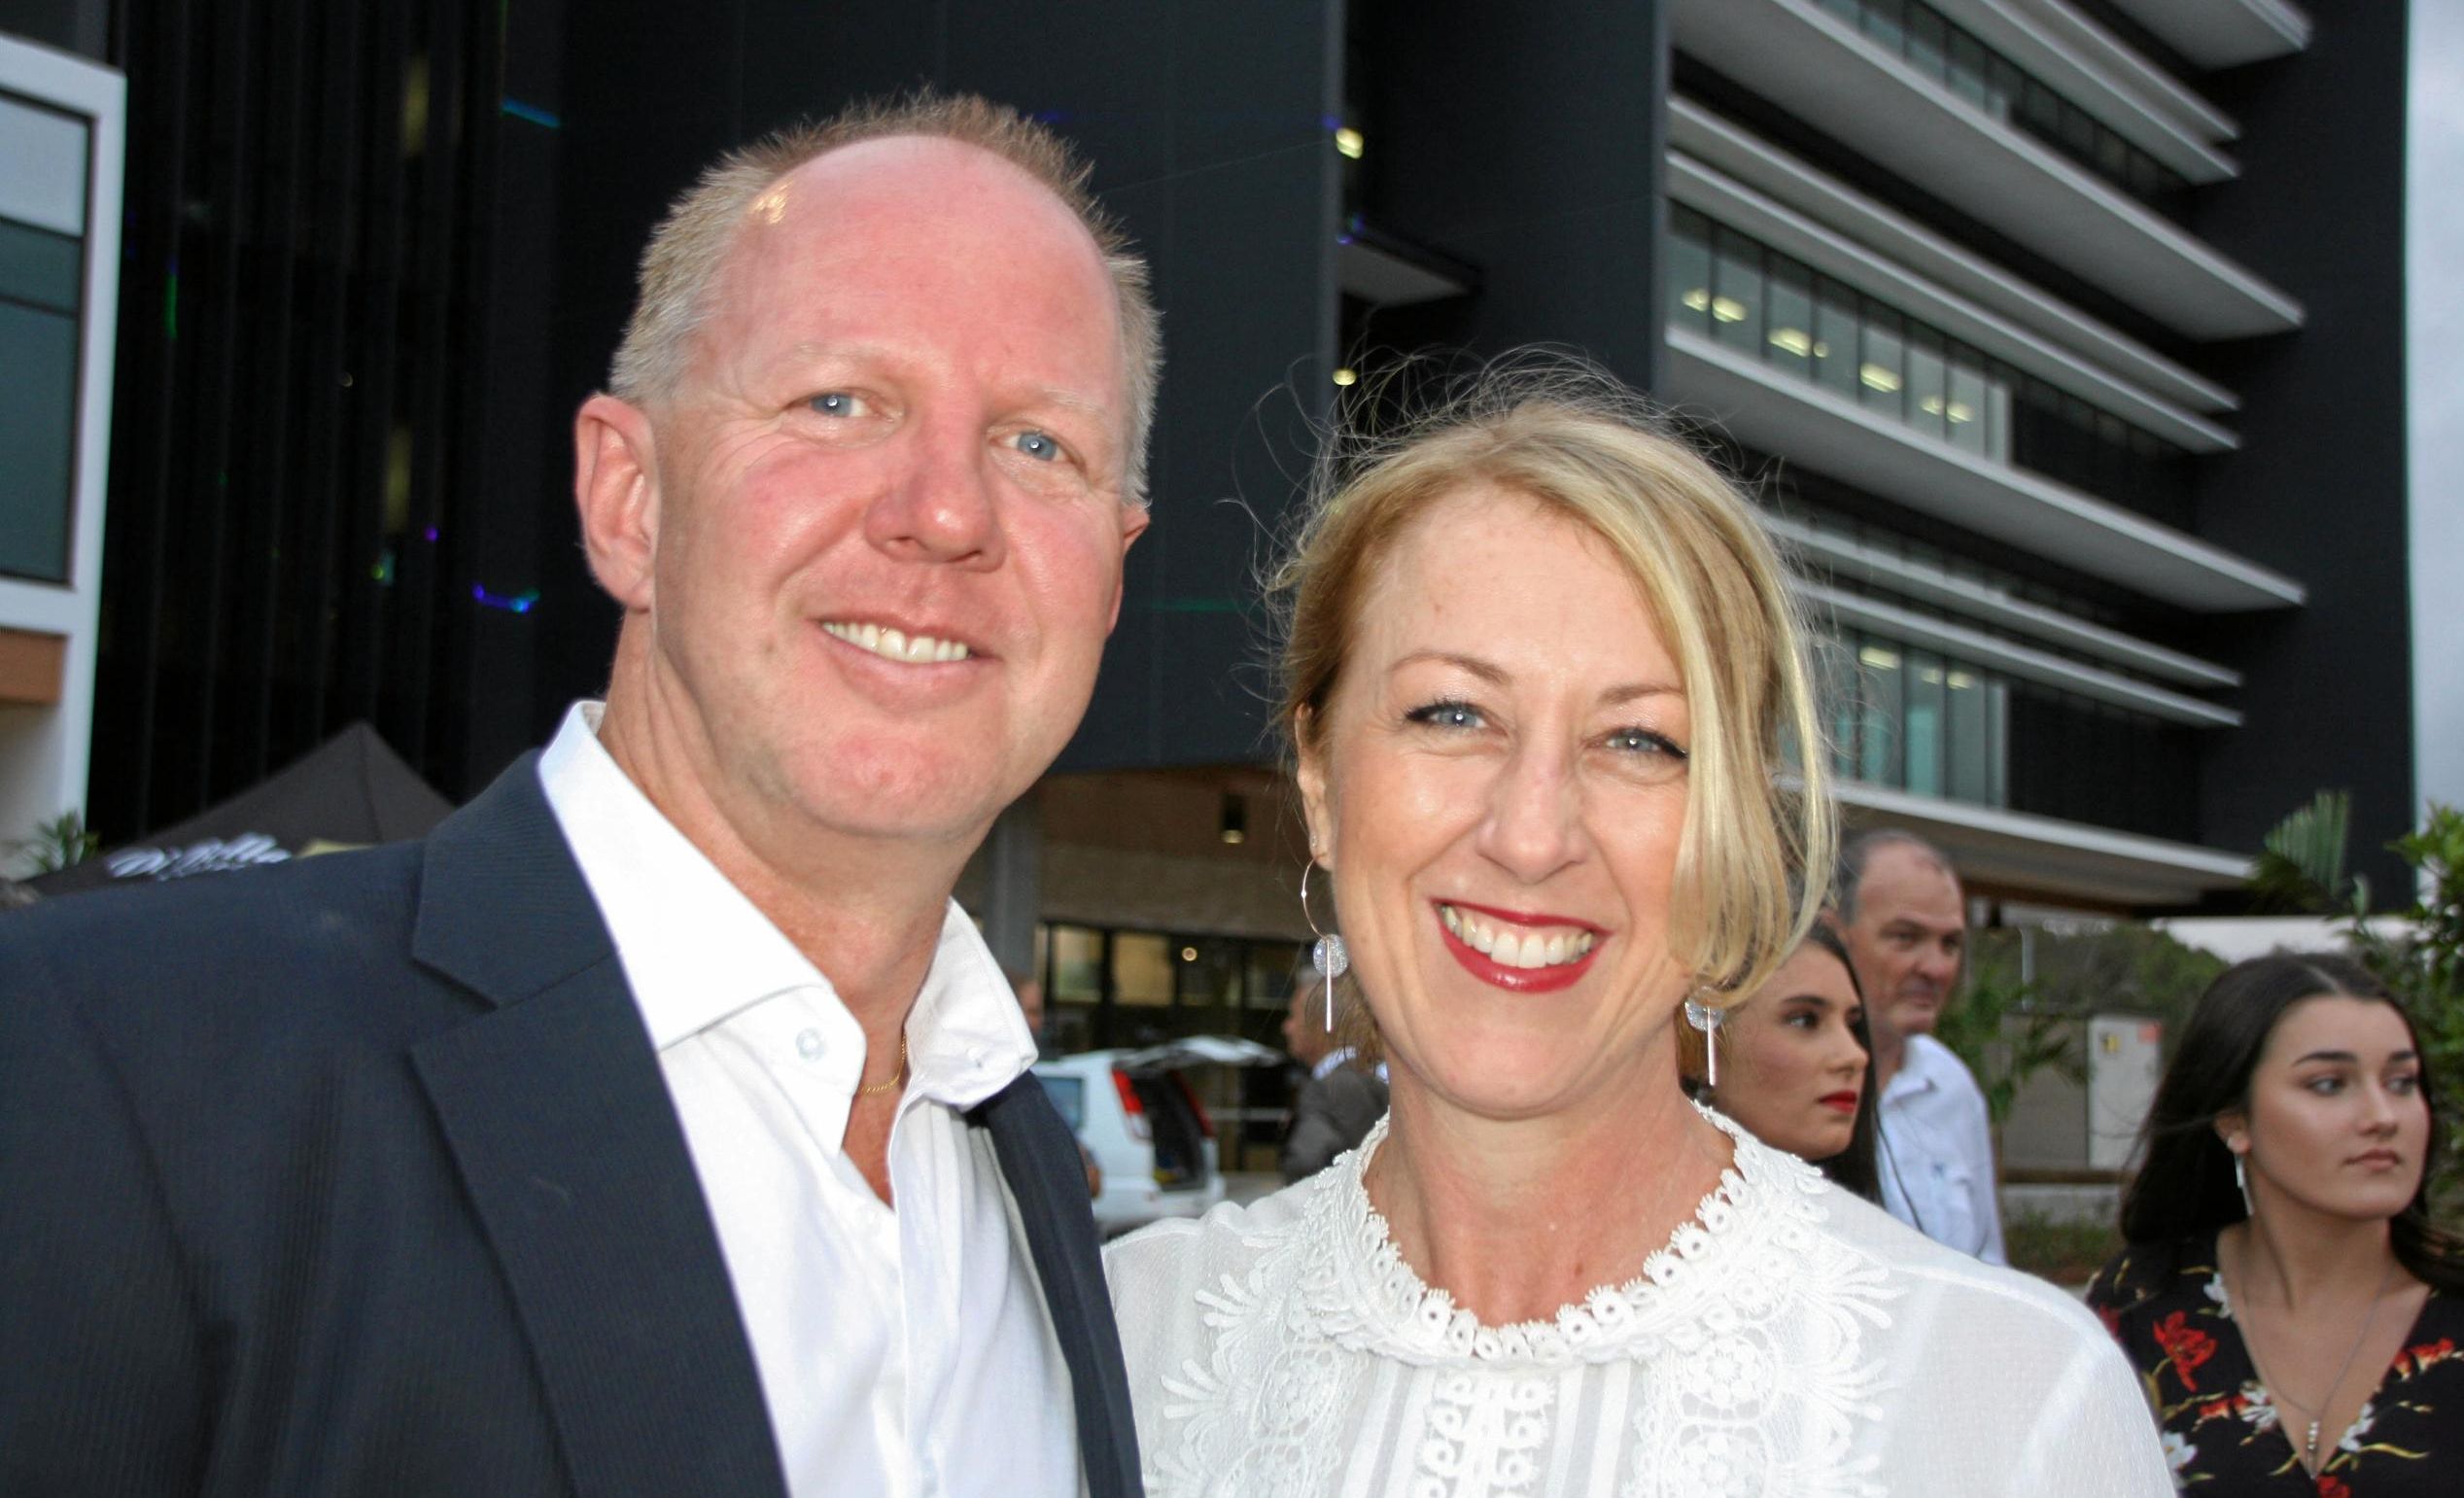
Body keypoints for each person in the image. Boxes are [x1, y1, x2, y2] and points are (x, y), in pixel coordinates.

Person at [0, 94, 1156, 1498]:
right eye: (838, 402)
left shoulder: (1025, 1177)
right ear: (628, 499)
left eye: (1039, 445)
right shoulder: (110, 1060)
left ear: (1112, 566)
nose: (945, 510)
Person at [1102, 364, 2171, 1495]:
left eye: (1640, 740)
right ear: (1320, 778)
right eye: (1453, 713)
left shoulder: (2010, 1403)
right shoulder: (1126, 1342)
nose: (1531, 833)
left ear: (1734, 827)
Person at [2088, 954, 2464, 1494]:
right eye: (2330, 1084)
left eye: (2402, 1082)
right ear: (2233, 1118)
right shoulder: (2142, 1303)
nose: (2383, 1115)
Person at [1836, 827, 2008, 1262]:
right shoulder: (1768, 1076)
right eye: (1906, 937)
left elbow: (1987, 1268)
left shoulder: (1952, 1088)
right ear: (1835, 933)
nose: (1935, 968)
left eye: (1949, 943)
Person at [1678, 923, 1880, 1200]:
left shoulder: (1873, 1234)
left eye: (1852, 1025)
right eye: (1804, 1020)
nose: (1855, 1056)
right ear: (1701, 1040)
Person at [1280, 965, 1390, 1182]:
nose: (1287, 1027)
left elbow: (1305, 1161)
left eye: (1293, 1016)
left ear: (1321, 1024)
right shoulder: (1374, 1077)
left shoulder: (1326, 1090)